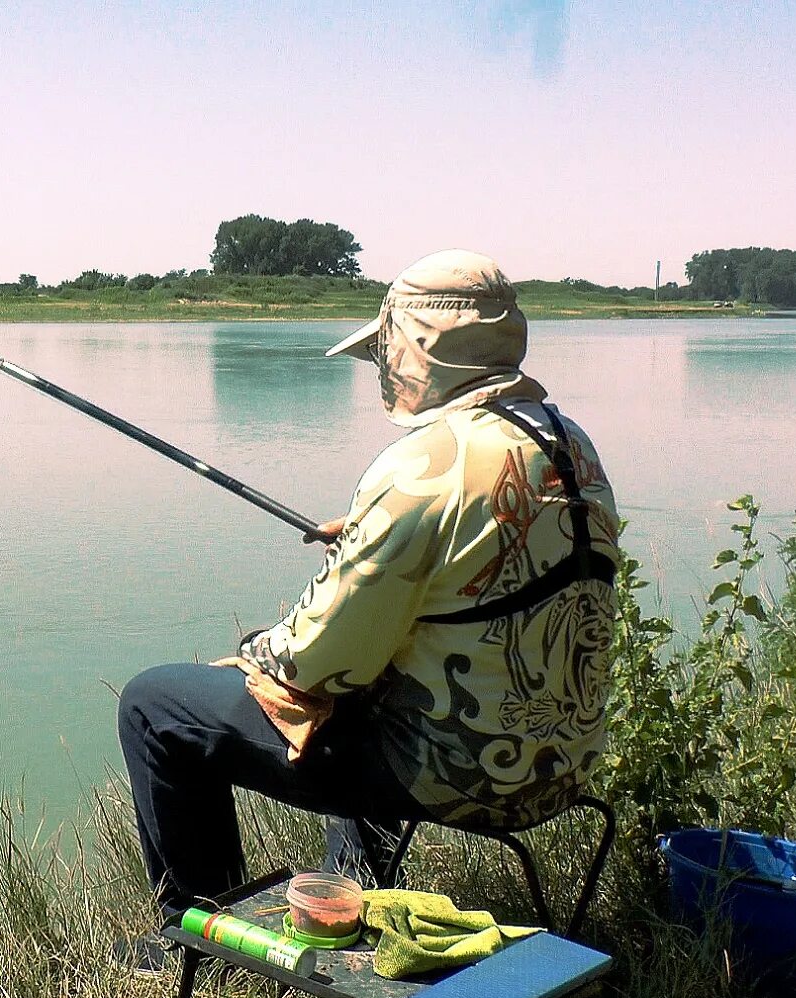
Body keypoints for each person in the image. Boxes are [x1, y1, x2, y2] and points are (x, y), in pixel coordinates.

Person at [116, 249, 621, 936]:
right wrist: (373, 540)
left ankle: (202, 939)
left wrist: (250, 655)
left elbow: (313, 661)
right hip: (564, 765)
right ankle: (352, 887)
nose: (383, 372)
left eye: (387, 353)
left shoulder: (422, 465)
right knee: (374, 685)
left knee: (156, 704)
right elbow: (497, 561)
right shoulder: (570, 442)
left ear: (415, 352)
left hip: (461, 776)